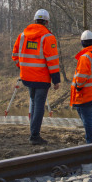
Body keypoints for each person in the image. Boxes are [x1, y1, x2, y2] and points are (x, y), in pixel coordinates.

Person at [12, 9, 61, 145]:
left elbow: (15, 55)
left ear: (35, 20)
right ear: (46, 22)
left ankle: (33, 133)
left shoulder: (22, 36)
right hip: (41, 78)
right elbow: (52, 61)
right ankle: (34, 135)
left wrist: (23, 68)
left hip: (27, 77)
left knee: (33, 102)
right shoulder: (47, 37)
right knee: (39, 105)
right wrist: (56, 80)